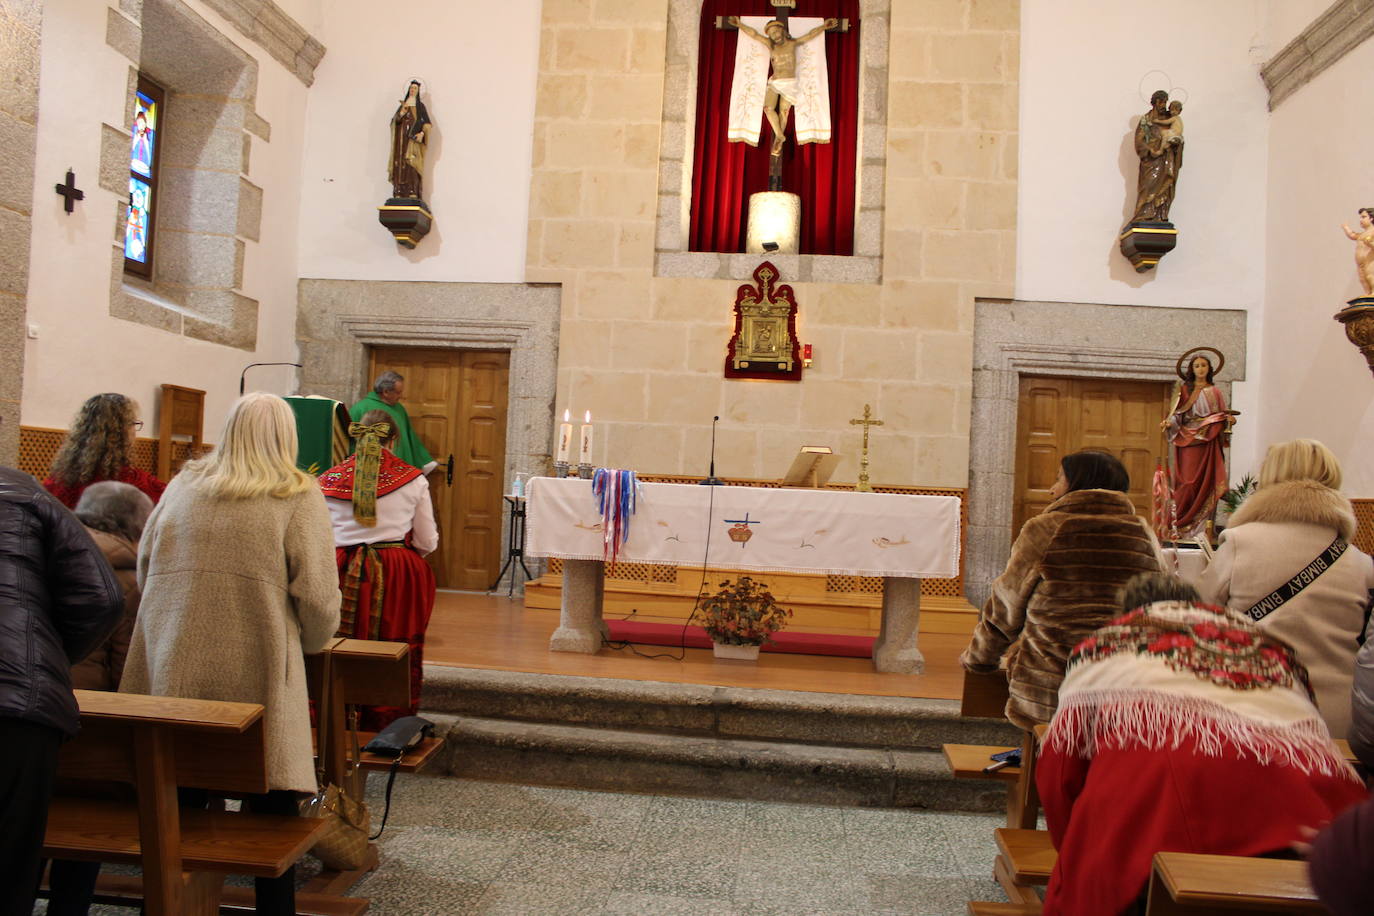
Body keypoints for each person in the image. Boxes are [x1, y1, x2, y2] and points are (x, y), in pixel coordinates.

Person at [120, 392, 341, 914]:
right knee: (270, 806)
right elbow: (317, 595)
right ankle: (273, 905)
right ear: (286, 438)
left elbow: (145, 566)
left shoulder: (182, 486)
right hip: (258, 669)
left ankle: (178, 901)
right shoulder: (296, 494)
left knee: (181, 791)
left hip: (174, 664)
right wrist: (309, 645)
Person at [1037, 572, 1365, 915]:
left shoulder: (1106, 645)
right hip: (1307, 812)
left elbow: (1059, 774)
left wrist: (1071, 852)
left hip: (1161, 819)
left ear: (1128, 613)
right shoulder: (1269, 646)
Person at [961, 450, 1165, 729]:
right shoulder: (1142, 532)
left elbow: (1007, 604)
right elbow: (1160, 606)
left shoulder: (1046, 528)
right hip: (1122, 681)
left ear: (1078, 483)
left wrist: (980, 659)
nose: (1051, 489)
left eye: (1059, 479)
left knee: (1047, 757)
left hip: (1054, 684)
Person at [0, 465, 123, 915]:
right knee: (9, 868)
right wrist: (45, 660)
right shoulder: (22, 492)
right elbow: (102, 597)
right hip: (18, 709)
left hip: (19, 696)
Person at [1198, 439, 1374, 739]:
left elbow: (1198, 616)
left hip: (1253, 711)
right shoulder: (1360, 563)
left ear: (1270, 476)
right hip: (1333, 723)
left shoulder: (1240, 542)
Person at [319, 410, 438, 729]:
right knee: (393, 643)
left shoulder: (327, 478)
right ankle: (386, 721)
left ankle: (336, 719)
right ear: (393, 439)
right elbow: (427, 540)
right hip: (395, 572)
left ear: (356, 437)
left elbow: (318, 534)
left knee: (337, 642)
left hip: (340, 569)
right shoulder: (413, 478)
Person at [70, 481, 152, 691]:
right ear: (137, 526)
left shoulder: (51, 551)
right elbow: (126, 664)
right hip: (89, 702)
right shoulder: (128, 581)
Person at [728, 16, 839, 156]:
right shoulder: (771, 45)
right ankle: (780, 135)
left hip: (790, 83)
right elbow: (754, 34)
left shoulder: (792, 43)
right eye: (771, 34)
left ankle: (778, 140)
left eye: (776, 31)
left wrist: (824, 27)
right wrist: (739, 25)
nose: (774, 36)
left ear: (782, 30)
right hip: (775, 81)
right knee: (768, 109)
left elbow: (810, 35)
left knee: (783, 112)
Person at [44, 392, 166, 509]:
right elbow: (169, 500)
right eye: (133, 423)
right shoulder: (134, 481)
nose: (135, 431)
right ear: (121, 432)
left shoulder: (58, 479)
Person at [1160, 352, 1232, 537]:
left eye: (1204, 365)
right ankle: (1180, 523)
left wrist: (1226, 420)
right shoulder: (1184, 390)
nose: (1201, 369)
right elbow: (1177, 415)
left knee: (1205, 483)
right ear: (1192, 370)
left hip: (1207, 440)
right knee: (1187, 483)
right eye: (1197, 366)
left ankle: (1200, 529)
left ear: (1209, 369)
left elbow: (1221, 415)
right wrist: (1170, 423)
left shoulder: (1215, 392)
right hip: (1187, 440)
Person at [349, 370, 436, 472]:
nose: (401, 396)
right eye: (398, 392)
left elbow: (410, 437)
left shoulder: (399, 409)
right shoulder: (360, 408)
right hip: (370, 467)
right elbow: (350, 440)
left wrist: (424, 459)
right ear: (386, 392)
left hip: (399, 466)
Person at [1130, 89, 1184, 223]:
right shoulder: (1146, 120)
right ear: (1155, 102)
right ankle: (1143, 215)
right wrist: (1150, 150)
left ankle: (1160, 215)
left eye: (1165, 102)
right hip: (1151, 161)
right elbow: (1139, 141)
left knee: (1166, 186)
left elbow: (1177, 135)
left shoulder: (1169, 117)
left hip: (1166, 159)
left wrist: (1176, 144)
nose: (1164, 105)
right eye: (1162, 102)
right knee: (1147, 187)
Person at [389, 79, 432, 200]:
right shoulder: (403, 105)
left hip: (413, 141)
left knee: (411, 163)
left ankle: (412, 190)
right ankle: (398, 190)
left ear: (418, 91)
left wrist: (422, 133)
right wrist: (401, 113)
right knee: (399, 162)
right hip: (401, 140)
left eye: (415, 88)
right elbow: (394, 122)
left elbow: (427, 123)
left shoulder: (420, 107)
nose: (412, 90)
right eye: (411, 88)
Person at [1341, 206, 1374, 297]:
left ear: (1371, 218)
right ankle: (1367, 293)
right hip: (1360, 263)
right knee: (1362, 278)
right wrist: (1346, 227)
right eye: (1361, 217)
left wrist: (1370, 244)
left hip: (1370, 261)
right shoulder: (1362, 234)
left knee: (1370, 275)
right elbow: (1352, 235)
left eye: (1363, 217)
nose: (1361, 219)